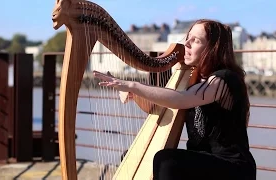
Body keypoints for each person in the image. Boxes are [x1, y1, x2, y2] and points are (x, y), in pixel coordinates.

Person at [93, 19, 257, 180]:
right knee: (129, 157)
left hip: (232, 167)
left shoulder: (224, 79)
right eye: (188, 38)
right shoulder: (195, 80)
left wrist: (133, 86)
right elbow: (158, 106)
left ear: (213, 49)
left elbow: (180, 100)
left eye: (196, 40)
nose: (187, 44)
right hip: (204, 162)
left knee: (166, 161)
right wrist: (134, 94)